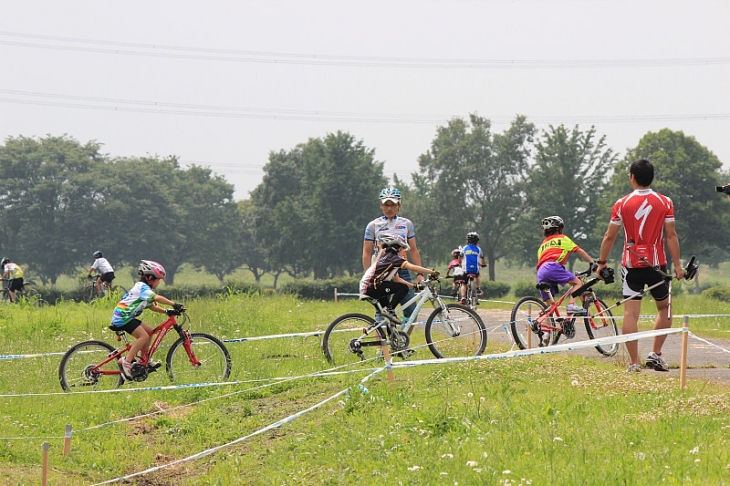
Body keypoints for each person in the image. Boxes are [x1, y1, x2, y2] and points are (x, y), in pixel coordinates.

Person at [596, 158, 685, 373]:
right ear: (651, 177)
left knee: (630, 314)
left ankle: (634, 362)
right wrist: (678, 266)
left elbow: (610, 236)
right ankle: (655, 353)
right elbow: (671, 235)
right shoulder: (665, 202)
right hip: (657, 265)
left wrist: (602, 263)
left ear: (632, 177)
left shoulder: (621, 203)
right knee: (665, 308)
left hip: (631, 265)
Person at [110, 260, 183, 380]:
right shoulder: (142, 287)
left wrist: (166, 311)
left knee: (149, 332)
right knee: (143, 336)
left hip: (126, 316)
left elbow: (152, 306)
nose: (159, 283)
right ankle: (127, 362)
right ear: (149, 277)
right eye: (158, 280)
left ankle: (144, 360)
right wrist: (174, 304)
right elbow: (157, 298)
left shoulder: (145, 291)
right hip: (122, 317)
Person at [363, 187, 424, 322]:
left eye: (393, 205)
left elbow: (413, 249)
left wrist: (420, 273)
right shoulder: (373, 225)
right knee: (381, 314)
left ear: (399, 206)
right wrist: (368, 276)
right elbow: (366, 253)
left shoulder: (406, 224)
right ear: (381, 205)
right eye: (386, 205)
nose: (389, 208)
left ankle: (401, 342)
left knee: (412, 313)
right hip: (381, 274)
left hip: (401, 272)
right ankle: (381, 343)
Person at [360, 234, 439, 321]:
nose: (404, 252)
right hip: (373, 287)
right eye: (403, 250)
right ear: (397, 248)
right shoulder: (394, 258)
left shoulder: (387, 258)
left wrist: (413, 286)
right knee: (403, 288)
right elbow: (412, 267)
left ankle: (392, 331)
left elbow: (397, 279)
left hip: (368, 287)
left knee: (389, 319)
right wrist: (432, 272)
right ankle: (390, 309)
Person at [536, 216, 596, 314]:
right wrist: (592, 262)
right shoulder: (562, 238)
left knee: (550, 308)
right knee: (578, 283)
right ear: (559, 229)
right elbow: (578, 250)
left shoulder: (543, 244)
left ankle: (545, 327)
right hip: (552, 267)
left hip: (540, 271)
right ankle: (572, 305)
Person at [461, 232, 486, 304]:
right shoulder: (478, 249)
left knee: (464, 284)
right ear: (477, 241)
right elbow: (483, 258)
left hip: (466, 270)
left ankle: (463, 297)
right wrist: (482, 264)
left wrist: (459, 263)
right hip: (475, 270)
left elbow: (460, 256)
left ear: (468, 240)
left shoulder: (465, 248)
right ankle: (478, 288)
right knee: (478, 276)